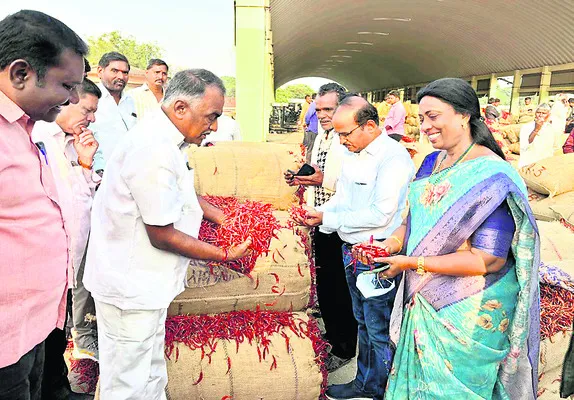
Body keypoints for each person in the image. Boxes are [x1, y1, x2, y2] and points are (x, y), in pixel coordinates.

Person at [353, 78, 539, 399]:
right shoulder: (429, 163)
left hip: (467, 309)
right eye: (422, 117)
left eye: (433, 116)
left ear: (464, 116)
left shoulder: (490, 175)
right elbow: (411, 224)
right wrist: (390, 246)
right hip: (424, 298)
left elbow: (488, 258)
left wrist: (411, 262)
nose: (425, 126)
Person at [83, 69, 252, 399]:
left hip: (146, 284)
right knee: (128, 381)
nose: (214, 126)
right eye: (211, 116)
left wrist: (219, 215)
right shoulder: (153, 148)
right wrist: (222, 255)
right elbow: (161, 233)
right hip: (129, 285)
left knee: (150, 371)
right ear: (180, 108)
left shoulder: (169, 141)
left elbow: (182, 190)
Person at [296, 95, 414, 399]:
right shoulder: (352, 152)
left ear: (370, 126)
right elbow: (344, 199)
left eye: (346, 133)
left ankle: (381, 389)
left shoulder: (393, 157)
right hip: (351, 250)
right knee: (362, 322)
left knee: (378, 329)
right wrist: (319, 218)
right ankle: (364, 384)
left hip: (377, 255)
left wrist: (328, 217)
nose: (342, 140)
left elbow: (380, 213)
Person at [0, 9, 87, 400]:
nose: (72, 99)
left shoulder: (25, 129)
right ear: (21, 73)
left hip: (33, 326)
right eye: (66, 85)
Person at [32, 78, 101, 400]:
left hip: (69, 258)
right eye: (87, 110)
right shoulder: (37, 137)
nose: (91, 119)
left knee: (56, 334)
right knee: (39, 341)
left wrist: (85, 163)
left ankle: (57, 388)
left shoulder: (70, 142)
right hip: (43, 261)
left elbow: (79, 198)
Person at [285, 83, 357, 373]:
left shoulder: (348, 141)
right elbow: (318, 174)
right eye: (319, 110)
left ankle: (344, 348)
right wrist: (302, 179)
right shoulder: (321, 137)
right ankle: (333, 334)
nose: (324, 115)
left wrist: (320, 180)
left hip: (341, 222)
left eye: (329, 109)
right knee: (326, 284)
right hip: (321, 219)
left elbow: (354, 187)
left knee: (340, 288)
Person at [90, 51, 137, 175]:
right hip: (100, 173)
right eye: (114, 71)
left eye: (125, 72)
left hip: (129, 172)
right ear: (100, 71)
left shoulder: (130, 100)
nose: (121, 77)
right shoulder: (90, 98)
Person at [304, 93, 319, 162]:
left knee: (313, 148)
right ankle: (308, 165)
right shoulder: (314, 104)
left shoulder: (315, 104)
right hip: (313, 129)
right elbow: (308, 115)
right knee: (311, 148)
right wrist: (307, 123)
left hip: (314, 129)